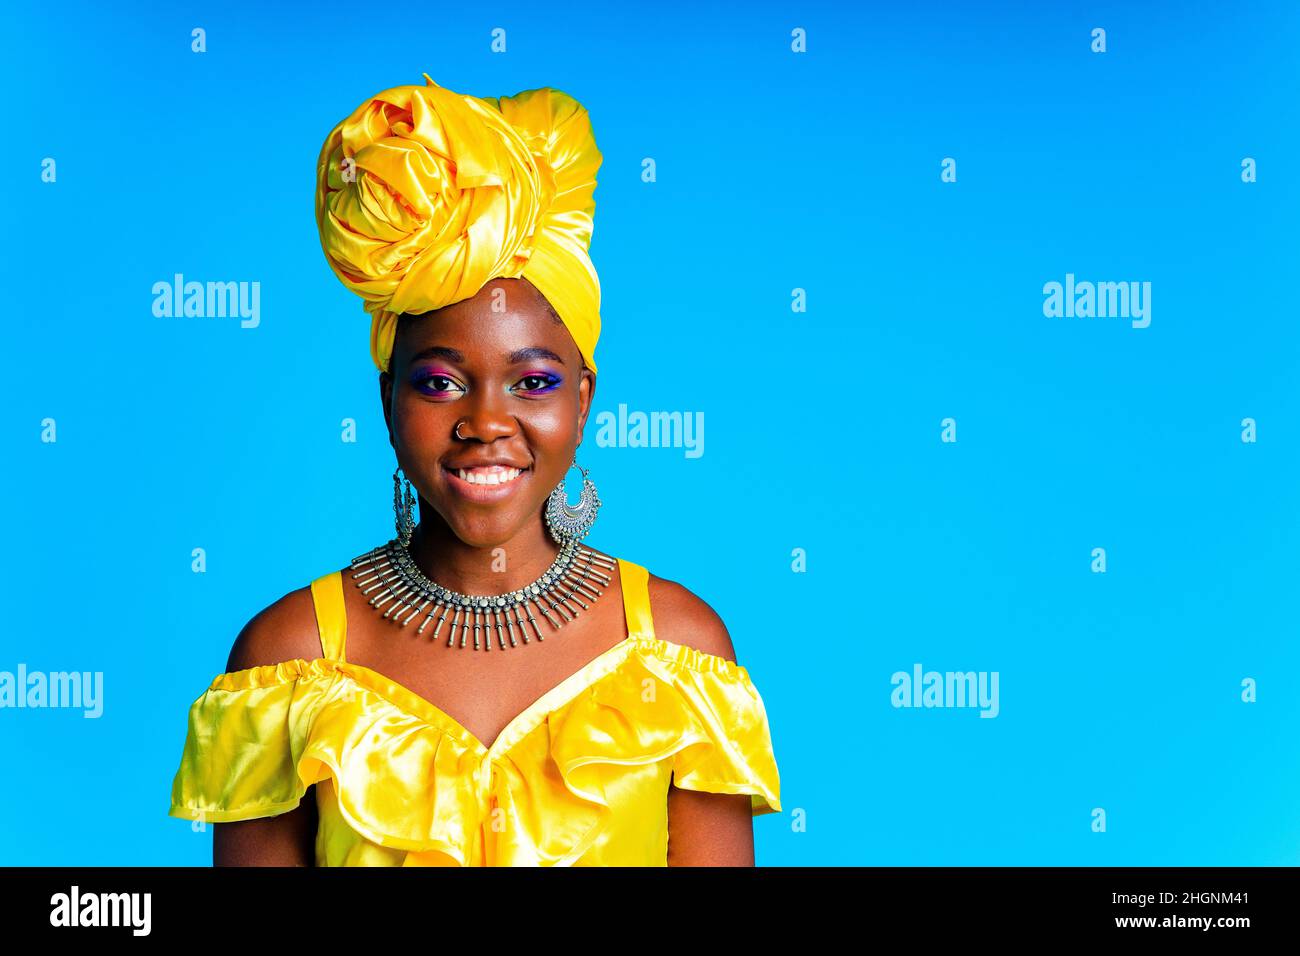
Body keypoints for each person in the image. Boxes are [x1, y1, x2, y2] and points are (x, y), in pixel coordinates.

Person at [167, 75, 781, 866]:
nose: (487, 423)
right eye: (440, 382)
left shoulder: (679, 651)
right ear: (388, 397)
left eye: (533, 383)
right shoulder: (287, 661)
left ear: (584, 400)